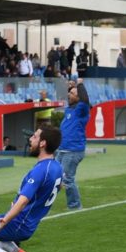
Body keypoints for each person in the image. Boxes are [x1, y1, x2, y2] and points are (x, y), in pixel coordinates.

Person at [56, 78, 91, 210]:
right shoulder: (70, 109)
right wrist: (71, 88)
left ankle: (75, 206)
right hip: (63, 150)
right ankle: (44, 203)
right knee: (54, 177)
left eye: (72, 94)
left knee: (67, 180)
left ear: (78, 97)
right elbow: (73, 97)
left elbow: (85, 99)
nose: (69, 95)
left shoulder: (82, 110)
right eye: (69, 94)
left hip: (73, 151)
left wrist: (80, 84)